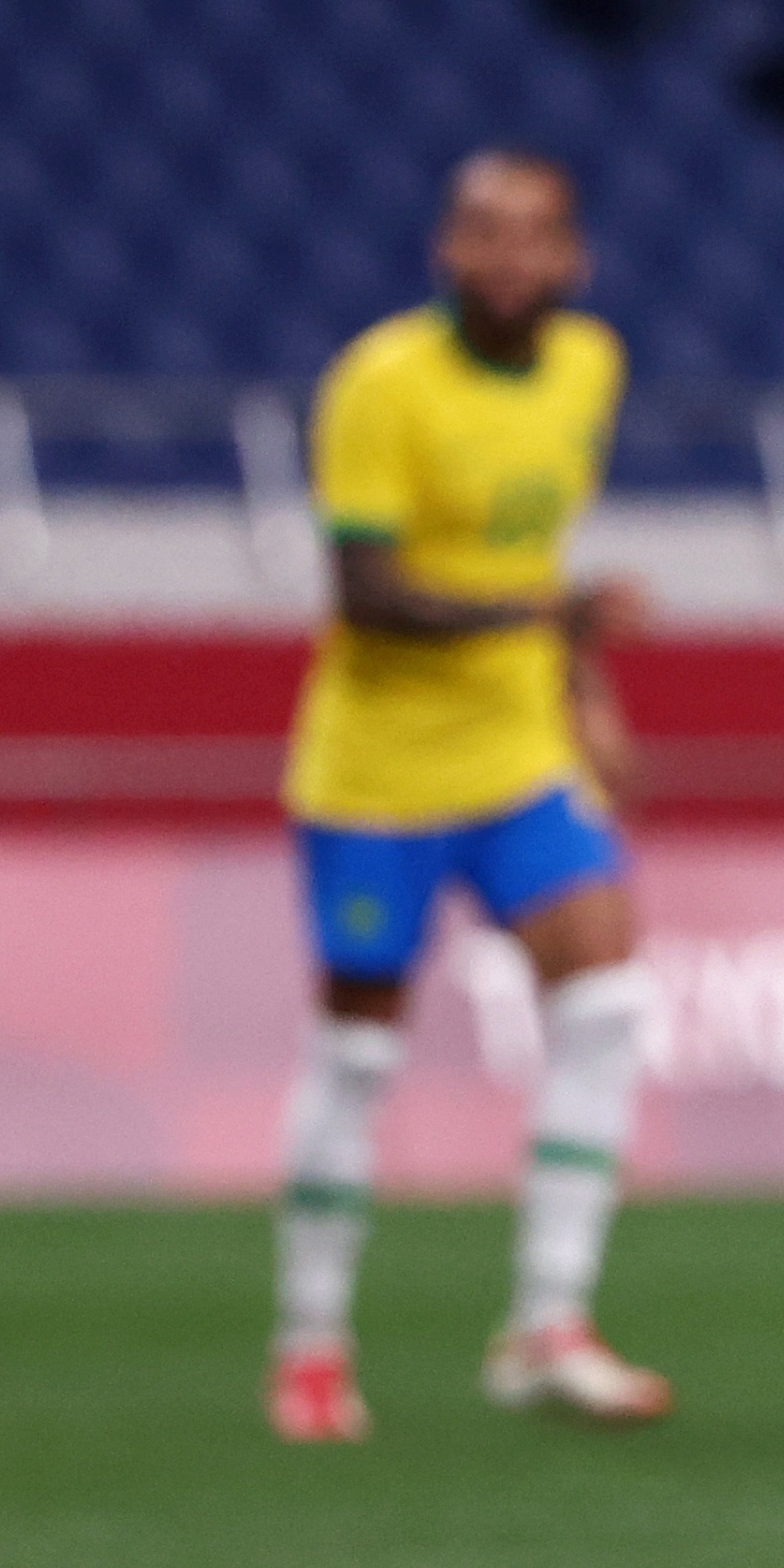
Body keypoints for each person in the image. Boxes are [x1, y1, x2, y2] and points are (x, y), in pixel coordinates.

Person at [264, 150, 674, 1443]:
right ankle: (312, 1345)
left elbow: (533, 557)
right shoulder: (381, 384)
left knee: (605, 1003)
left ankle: (547, 1324)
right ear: (446, 250)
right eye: (482, 232)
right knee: (359, 1053)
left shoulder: (587, 368)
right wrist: (551, 615)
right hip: (374, 779)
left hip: (512, 762)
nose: (507, 256)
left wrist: (587, 700)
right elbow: (366, 593)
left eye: (533, 234)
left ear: (571, 259)